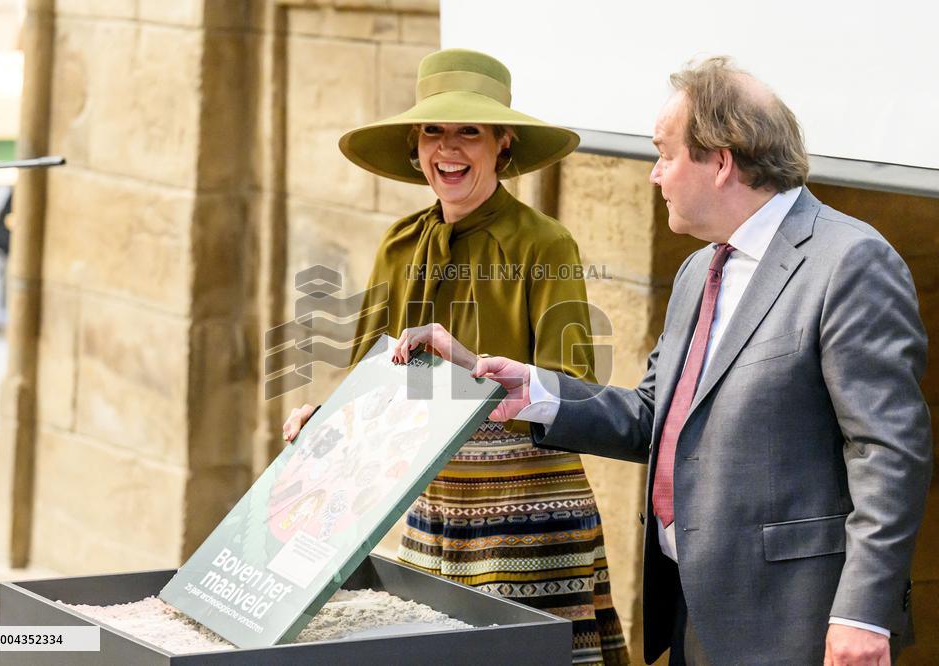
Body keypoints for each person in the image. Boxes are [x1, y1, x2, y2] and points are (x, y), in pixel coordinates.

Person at [421, 57, 932, 665]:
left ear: (720, 161)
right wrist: (531, 388)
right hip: (691, 610)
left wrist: (863, 614)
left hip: (802, 623)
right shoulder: (698, 270)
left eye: (665, 154)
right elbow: (650, 417)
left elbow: (889, 452)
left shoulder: (849, 261)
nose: (653, 175)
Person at [283, 49, 629, 664]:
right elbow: (371, 376)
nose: (449, 147)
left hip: (526, 513)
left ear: (503, 144)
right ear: (416, 148)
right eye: (433, 131)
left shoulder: (546, 242)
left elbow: (577, 387)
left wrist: (471, 363)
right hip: (431, 507)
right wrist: (324, 423)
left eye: (470, 130)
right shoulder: (398, 243)